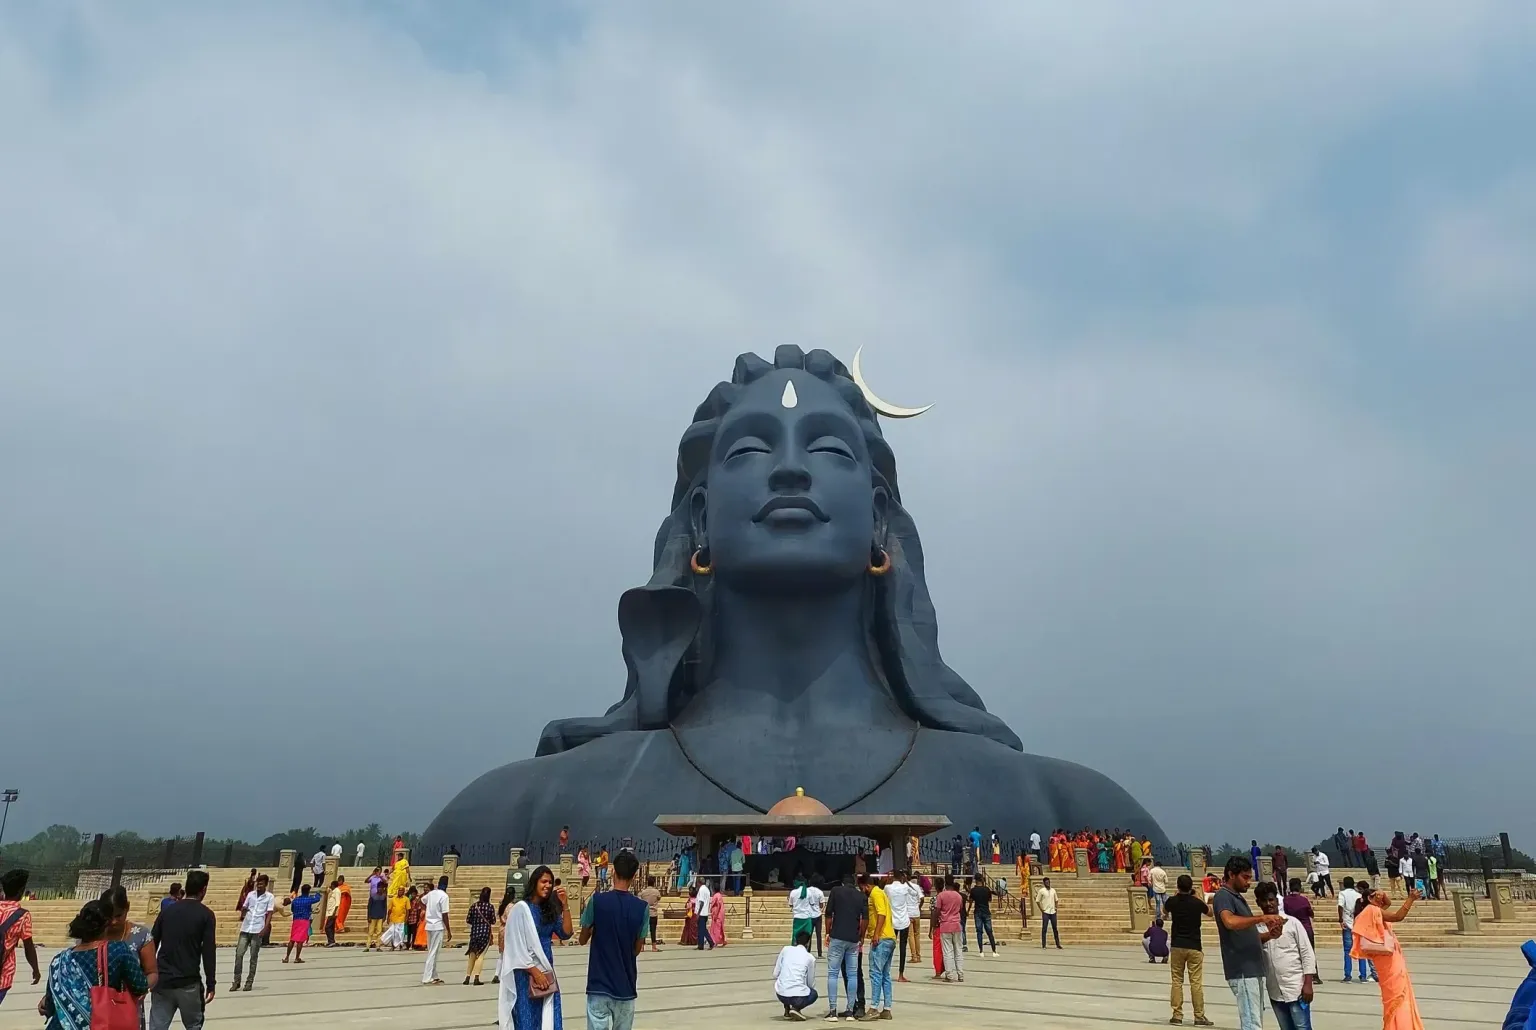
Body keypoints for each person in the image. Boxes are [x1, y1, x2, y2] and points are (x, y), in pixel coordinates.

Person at [41, 899, 150, 1030]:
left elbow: (49, 1006)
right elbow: (140, 986)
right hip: (99, 1024)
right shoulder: (117, 950)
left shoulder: (59, 960)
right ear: (107, 925)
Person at [1211, 856, 1283, 1030]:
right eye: (1245, 877)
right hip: (1243, 969)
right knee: (1252, 1022)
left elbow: (1247, 935)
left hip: (1253, 968)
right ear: (1231, 875)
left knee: (1255, 1018)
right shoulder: (1223, 896)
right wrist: (1262, 917)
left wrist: (1269, 935)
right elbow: (1229, 921)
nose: (1248, 882)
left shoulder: (1237, 898)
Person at [578, 850, 647, 1030]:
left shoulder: (597, 901)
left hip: (598, 985)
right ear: (633, 876)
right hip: (625, 986)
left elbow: (582, 939)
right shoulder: (642, 908)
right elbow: (637, 949)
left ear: (613, 872)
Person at [498, 865, 572, 1030]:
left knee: (549, 1018)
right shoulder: (520, 909)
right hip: (525, 975)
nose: (547, 886)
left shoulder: (549, 911)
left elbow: (566, 933)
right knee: (527, 1020)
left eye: (550, 883)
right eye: (543, 881)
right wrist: (533, 971)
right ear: (534, 882)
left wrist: (565, 905)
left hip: (546, 972)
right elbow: (514, 945)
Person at [149, 869, 216, 1030]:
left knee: (157, 1027)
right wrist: (210, 983)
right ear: (204, 889)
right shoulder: (206, 915)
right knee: (193, 1025)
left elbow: (152, 942)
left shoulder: (167, 911)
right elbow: (208, 951)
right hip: (188, 982)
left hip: (163, 981)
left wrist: (149, 974)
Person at [1352, 885, 1425, 1029]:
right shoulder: (1372, 911)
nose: (1381, 898)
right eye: (1377, 896)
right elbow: (1398, 916)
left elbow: (1387, 903)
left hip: (1385, 959)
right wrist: (1410, 899)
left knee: (1394, 995)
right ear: (1369, 898)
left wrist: (1382, 894)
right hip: (1388, 960)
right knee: (1397, 995)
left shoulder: (1371, 911)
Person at [1255, 882, 1316, 1030]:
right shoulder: (1257, 928)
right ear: (1258, 903)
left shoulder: (1292, 923)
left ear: (1277, 900)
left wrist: (1308, 984)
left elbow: (1307, 954)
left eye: (1271, 900)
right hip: (1275, 992)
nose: (1268, 904)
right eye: (1264, 900)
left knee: (1302, 1027)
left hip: (1296, 989)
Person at [100, 884, 157, 1029]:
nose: (113, 922)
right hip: (97, 1006)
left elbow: (152, 973)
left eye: (118, 916)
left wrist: (143, 986)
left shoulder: (141, 935)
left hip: (128, 1006)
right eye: (108, 917)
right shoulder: (94, 934)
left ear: (127, 908)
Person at [1164, 874, 1212, 1027]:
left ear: (1178, 886)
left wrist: (1175, 896)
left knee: (1177, 981)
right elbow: (1210, 913)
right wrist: (1199, 897)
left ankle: (1177, 1015)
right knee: (1196, 982)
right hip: (1194, 946)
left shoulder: (1173, 901)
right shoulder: (1196, 903)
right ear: (1191, 887)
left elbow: (1164, 911)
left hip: (1177, 945)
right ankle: (1199, 1016)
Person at [824, 875, 867, 1017]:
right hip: (853, 939)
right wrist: (861, 936)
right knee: (853, 974)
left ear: (843, 883)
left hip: (837, 936)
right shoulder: (861, 896)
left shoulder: (836, 891)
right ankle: (850, 1010)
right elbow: (865, 919)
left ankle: (832, 1010)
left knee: (833, 974)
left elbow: (828, 914)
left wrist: (827, 932)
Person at [0, 869, 40, 1009]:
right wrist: (35, 969)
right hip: (3, 975)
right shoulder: (23, 916)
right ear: (21, 891)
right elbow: (28, 946)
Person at [232, 874, 277, 992]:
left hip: (257, 929)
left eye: (262, 884)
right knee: (239, 954)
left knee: (253, 957)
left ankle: (249, 982)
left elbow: (269, 914)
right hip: (246, 928)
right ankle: (236, 980)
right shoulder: (250, 895)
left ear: (266, 885)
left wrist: (265, 928)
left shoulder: (269, 897)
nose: (259, 886)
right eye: (258, 883)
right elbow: (245, 907)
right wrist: (243, 914)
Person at [861, 874, 897, 1018]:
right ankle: (887, 1008)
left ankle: (874, 1007)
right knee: (885, 975)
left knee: (875, 973)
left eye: (862, 888)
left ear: (866, 886)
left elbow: (881, 914)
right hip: (890, 937)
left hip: (882, 939)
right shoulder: (881, 893)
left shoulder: (875, 894)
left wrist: (876, 934)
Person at [1337, 877, 1376, 984]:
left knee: (1347, 951)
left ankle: (1348, 975)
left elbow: (1340, 906)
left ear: (1344, 884)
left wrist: (1340, 919)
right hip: (1358, 925)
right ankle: (1363, 975)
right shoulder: (1358, 895)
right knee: (1361, 950)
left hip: (1347, 924)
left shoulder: (1342, 894)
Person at [774, 929, 818, 1021]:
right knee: (814, 994)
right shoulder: (810, 958)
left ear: (795, 940)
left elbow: (775, 974)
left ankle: (787, 1009)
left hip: (781, 993)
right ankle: (796, 1008)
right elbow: (811, 984)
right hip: (798, 995)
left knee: (785, 980)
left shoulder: (785, 949)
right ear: (808, 943)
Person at [1282, 879, 1320, 982]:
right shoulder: (1304, 900)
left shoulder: (1285, 900)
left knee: (1293, 953)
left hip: (1291, 929)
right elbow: (1310, 913)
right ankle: (1314, 975)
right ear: (1299, 887)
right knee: (1310, 952)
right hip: (1306, 928)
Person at [422, 875, 453, 985]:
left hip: (429, 925)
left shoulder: (431, 893)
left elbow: (422, 900)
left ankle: (434, 975)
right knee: (433, 952)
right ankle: (427, 977)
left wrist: (428, 910)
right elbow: (445, 914)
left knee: (433, 951)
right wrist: (448, 930)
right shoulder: (444, 896)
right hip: (438, 926)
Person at [934, 877, 965, 983]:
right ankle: (960, 974)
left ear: (945, 884)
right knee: (958, 950)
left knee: (947, 951)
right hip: (957, 925)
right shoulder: (959, 896)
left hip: (945, 925)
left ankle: (949, 975)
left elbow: (937, 910)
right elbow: (960, 909)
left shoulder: (941, 895)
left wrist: (935, 922)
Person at [885, 871, 913, 983]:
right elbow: (916, 893)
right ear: (902, 877)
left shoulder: (888, 887)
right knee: (903, 948)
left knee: (889, 947)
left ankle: (886, 971)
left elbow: (884, 893)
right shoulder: (905, 887)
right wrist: (906, 882)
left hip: (893, 921)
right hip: (904, 920)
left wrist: (888, 880)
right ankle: (901, 974)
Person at [465, 887, 496, 986]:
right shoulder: (490, 907)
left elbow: (468, 920)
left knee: (472, 955)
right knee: (481, 955)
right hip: (485, 933)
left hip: (474, 933)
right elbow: (493, 921)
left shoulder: (474, 906)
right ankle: (476, 977)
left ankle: (467, 976)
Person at [282, 885, 321, 963]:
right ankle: (297, 958)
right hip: (304, 920)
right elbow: (317, 898)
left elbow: (292, 909)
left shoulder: (296, 900)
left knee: (292, 939)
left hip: (296, 920)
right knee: (300, 941)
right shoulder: (308, 899)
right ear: (308, 891)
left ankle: (287, 957)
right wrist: (318, 892)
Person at [788, 877, 824, 959]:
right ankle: (807, 952)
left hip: (797, 917)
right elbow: (812, 903)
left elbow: (790, 904)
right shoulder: (809, 892)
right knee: (807, 935)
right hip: (807, 917)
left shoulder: (793, 892)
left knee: (795, 935)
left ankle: (794, 951)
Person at [968, 875, 997, 955]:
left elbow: (970, 901)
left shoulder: (973, 890)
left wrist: (968, 911)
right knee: (989, 931)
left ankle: (981, 951)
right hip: (986, 911)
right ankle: (994, 950)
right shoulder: (987, 889)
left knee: (979, 931)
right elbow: (990, 900)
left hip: (977, 911)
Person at [365, 867, 388, 951]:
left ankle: (378, 946)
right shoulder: (373, 896)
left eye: (381, 888)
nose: (380, 889)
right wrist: (369, 916)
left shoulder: (383, 897)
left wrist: (385, 916)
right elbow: (369, 907)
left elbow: (385, 906)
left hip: (380, 916)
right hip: (373, 915)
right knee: (370, 932)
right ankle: (368, 946)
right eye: (379, 888)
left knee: (379, 932)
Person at [1035, 877, 1061, 950]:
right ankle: (1044, 945)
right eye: (1046, 882)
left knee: (1055, 928)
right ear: (1044, 883)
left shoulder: (1053, 890)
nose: (1048, 883)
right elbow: (1037, 900)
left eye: (1048, 882)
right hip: (1046, 911)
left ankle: (1058, 944)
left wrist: (1056, 907)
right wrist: (1041, 909)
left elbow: (1056, 900)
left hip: (1053, 911)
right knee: (1044, 928)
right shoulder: (1041, 891)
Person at [638, 878, 662, 952]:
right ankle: (654, 947)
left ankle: (642, 947)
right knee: (653, 930)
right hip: (653, 913)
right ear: (654, 883)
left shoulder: (643, 892)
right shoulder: (656, 892)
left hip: (644, 912)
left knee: (643, 931)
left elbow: (640, 898)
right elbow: (659, 898)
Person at [693, 878, 714, 950]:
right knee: (702, 929)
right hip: (705, 912)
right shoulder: (707, 889)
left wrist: (698, 913)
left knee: (702, 930)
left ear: (699, 883)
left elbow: (701, 902)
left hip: (701, 913)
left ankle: (710, 942)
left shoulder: (701, 890)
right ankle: (701, 945)